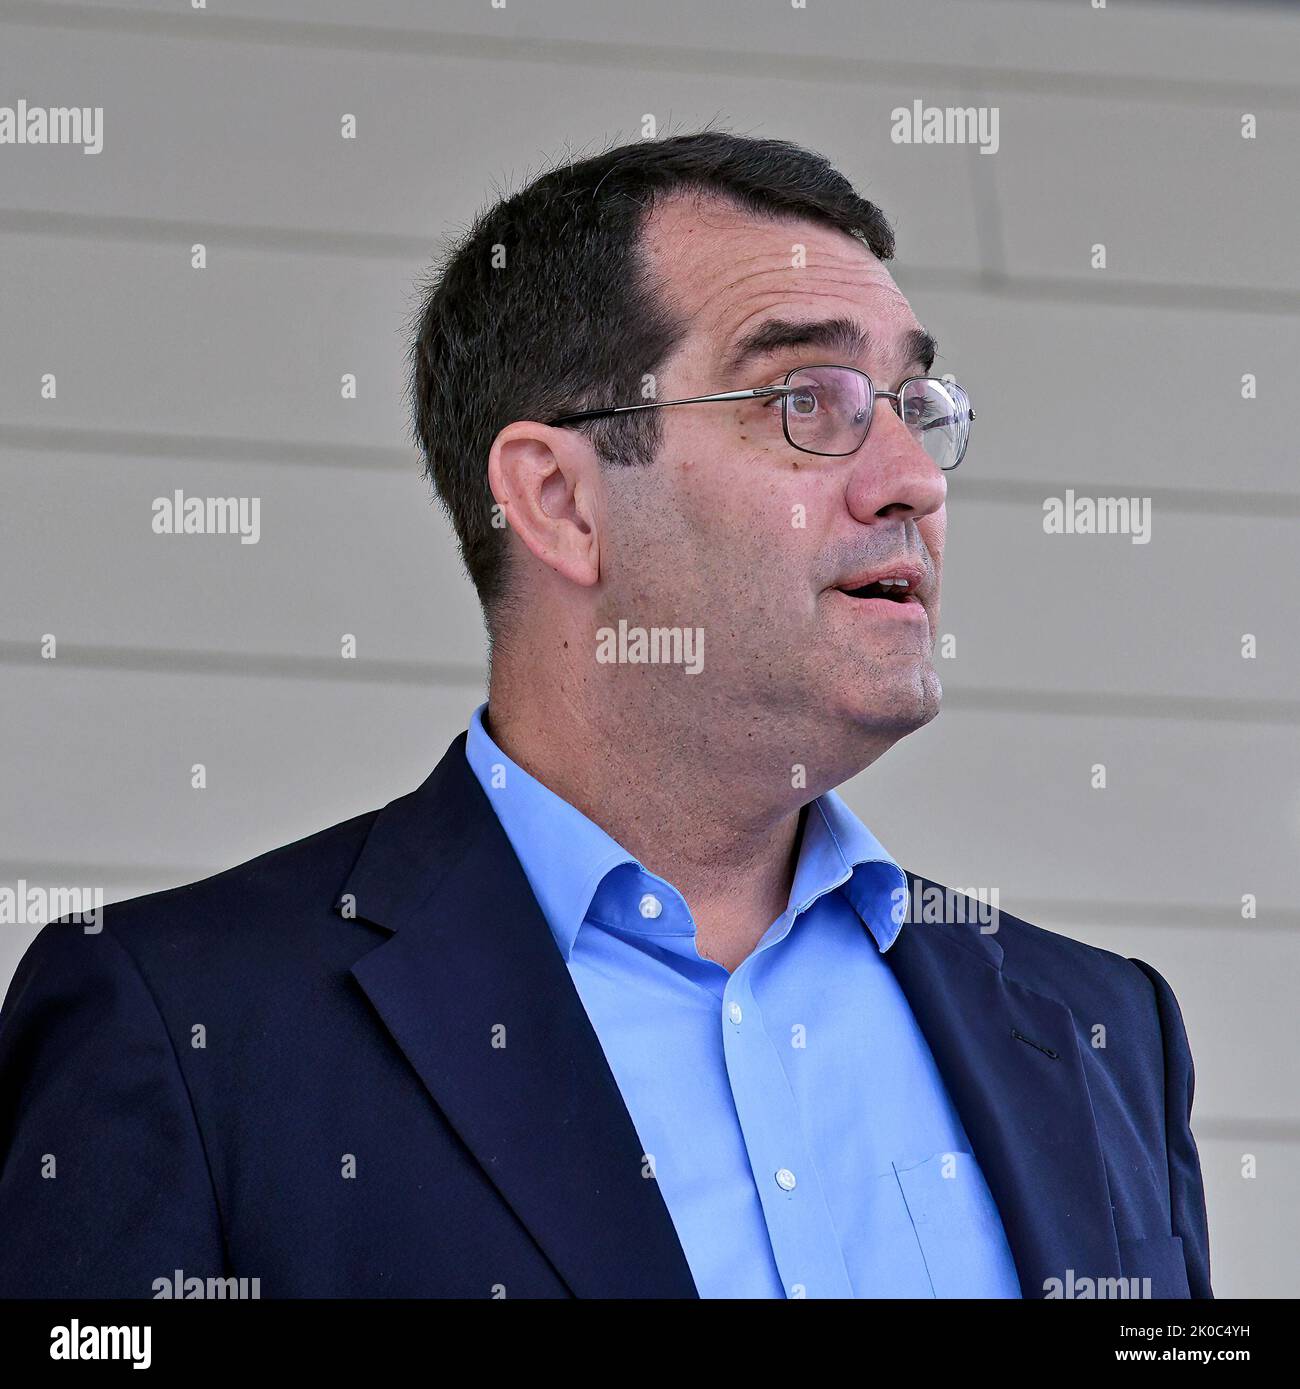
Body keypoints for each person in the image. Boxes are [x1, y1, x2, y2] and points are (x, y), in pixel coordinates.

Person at [0, 132, 1210, 1299]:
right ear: (559, 500)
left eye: (914, 401)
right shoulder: (185, 1025)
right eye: (809, 397)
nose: (908, 480)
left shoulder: (1104, 1032)